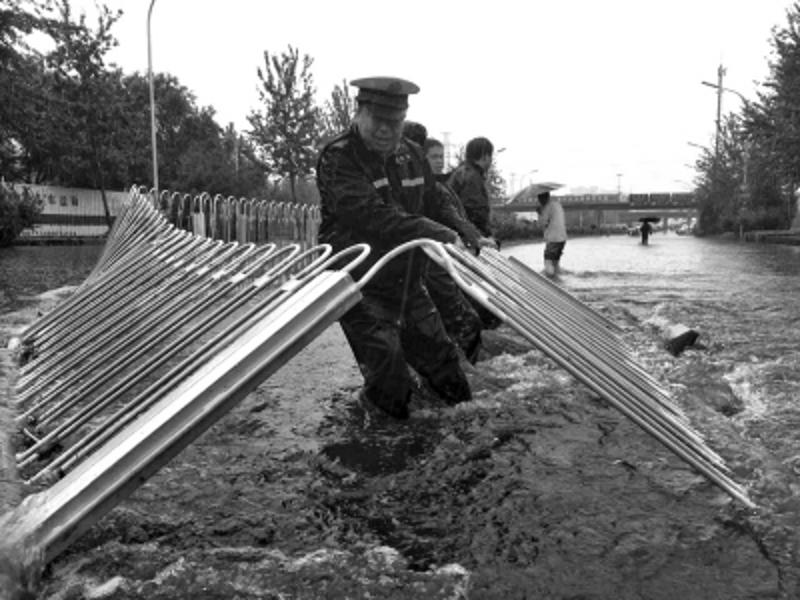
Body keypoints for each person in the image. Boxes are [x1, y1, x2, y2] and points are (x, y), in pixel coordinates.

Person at [316, 76, 474, 420]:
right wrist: (433, 230)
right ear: (359, 113)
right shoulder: (339, 158)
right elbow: (374, 217)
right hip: (359, 284)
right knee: (389, 376)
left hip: (406, 282)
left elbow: (436, 201)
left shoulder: (412, 154)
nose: (387, 130)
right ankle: (374, 436)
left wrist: (465, 231)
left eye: (395, 122)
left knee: (448, 373)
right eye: (379, 121)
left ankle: (450, 430)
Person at [448, 137, 494, 238]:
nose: (491, 160)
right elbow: (475, 211)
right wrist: (485, 235)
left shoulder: (462, 172)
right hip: (469, 235)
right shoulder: (473, 177)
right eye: (491, 156)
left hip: (459, 231)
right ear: (485, 156)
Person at [537, 191, 567, 277]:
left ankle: (550, 283)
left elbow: (542, 224)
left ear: (542, 198)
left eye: (539, 199)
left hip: (553, 239)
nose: (539, 201)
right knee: (556, 265)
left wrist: (540, 213)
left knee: (548, 263)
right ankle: (558, 282)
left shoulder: (546, 207)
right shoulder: (557, 205)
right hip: (562, 239)